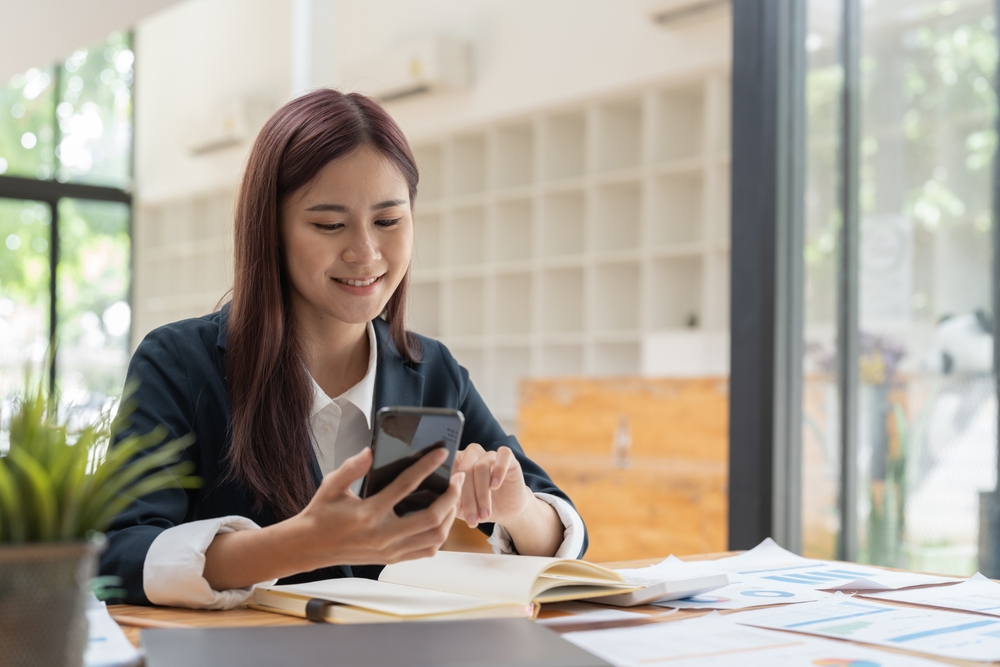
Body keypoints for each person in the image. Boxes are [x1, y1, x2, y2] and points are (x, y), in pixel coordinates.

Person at [99, 89, 587, 609]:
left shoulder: (431, 372)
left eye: (388, 221)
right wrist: (299, 544)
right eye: (329, 224)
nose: (365, 252)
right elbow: (122, 556)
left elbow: (559, 536)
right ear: (271, 230)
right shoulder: (180, 365)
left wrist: (516, 509)